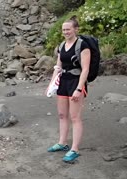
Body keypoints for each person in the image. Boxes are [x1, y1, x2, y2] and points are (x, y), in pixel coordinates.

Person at [47, 16, 91, 162]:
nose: (65, 32)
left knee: (75, 117)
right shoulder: (61, 45)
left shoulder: (83, 45)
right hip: (63, 82)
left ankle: (75, 149)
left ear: (75, 29)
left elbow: (85, 69)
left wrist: (79, 89)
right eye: (64, 30)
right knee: (62, 115)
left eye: (68, 29)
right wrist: (51, 84)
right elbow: (58, 66)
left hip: (76, 82)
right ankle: (62, 143)